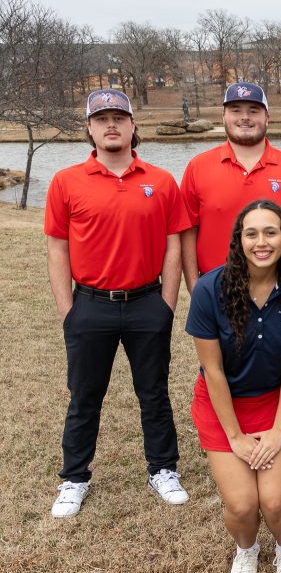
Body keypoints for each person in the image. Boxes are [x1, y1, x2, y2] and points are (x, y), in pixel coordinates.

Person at [45, 88, 191, 519]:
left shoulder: (161, 181)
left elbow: (173, 245)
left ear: (132, 126)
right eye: (101, 118)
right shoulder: (66, 181)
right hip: (90, 305)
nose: (111, 124)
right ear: (89, 129)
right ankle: (74, 477)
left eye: (119, 117)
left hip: (147, 302)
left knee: (154, 392)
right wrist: (67, 310)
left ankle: (163, 469)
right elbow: (57, 248)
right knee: (85, 395)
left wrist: (166, 303)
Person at [180, 82, 281, 487]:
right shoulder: (199, 167)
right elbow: (187, 229)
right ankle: (229, 442)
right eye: (236, 109)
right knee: (223, 367)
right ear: (224, 115)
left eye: (253, 109)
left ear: (266, 116)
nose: (245, 117)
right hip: (219, 296)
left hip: (279, 290)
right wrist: (195, 286)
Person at [186, 200, 281, 573]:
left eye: (271, 232)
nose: (262, 242)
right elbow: (213, 371)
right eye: (252, 233)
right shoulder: (211, 289)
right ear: (239, 240)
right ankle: (246, 549)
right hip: (222, 406)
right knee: (243, 505)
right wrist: (235, 437)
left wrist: (279, 431)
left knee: (275, 503)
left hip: (276, 403)